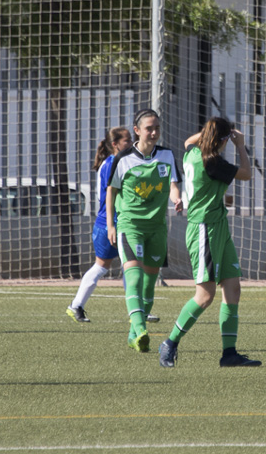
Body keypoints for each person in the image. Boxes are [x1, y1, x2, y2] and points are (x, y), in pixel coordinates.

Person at [158, 118, 261, 368]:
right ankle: (169, 343)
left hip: (218, 226)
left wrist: (213, 133)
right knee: (205, 296)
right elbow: (246, 174)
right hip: (204, 229)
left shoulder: (194, 152)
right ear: (223, 140)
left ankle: (229, 354)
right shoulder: (213, 162)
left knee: (232, 288)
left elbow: (188, 141)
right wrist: (240, 146)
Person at [106, 109, 182, 352]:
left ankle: (133, 335)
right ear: (137, 130)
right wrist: (111, 224)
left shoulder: (167, 155)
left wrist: (177, 198)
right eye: (149, 128)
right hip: (131, 225)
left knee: (150, 282)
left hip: (157, 227)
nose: (154, 132)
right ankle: (140, 329)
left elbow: (172, 184)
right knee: (134, 276)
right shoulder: (124, 159)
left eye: (157, 127)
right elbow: (112, 191)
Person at [67, 126, 132, 323]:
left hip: (121, 222)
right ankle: (76, 305)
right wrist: (112, 225)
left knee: (132, 265)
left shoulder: (119, 161)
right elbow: (111, 196)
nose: (131, 143)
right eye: (127, 141)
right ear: (115, 144)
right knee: (102, 266)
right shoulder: (113, 163)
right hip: (108, 224)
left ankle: (138, 310)